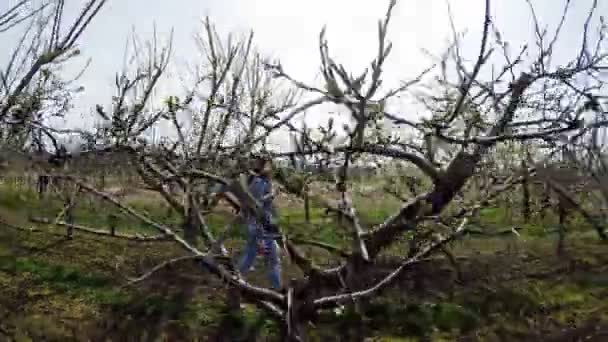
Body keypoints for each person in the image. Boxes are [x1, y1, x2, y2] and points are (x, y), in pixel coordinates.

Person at [237, 155, 282, 290]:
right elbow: (255, 203)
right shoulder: (258, 182)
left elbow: (266, 205)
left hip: (262, 224)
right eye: (270, 165)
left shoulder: (263, 181)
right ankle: (236, 283)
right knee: (263, 257)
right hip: (259, 225)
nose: (272, 169)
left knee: (255, 257)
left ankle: (235, 283)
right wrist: (273, 194)